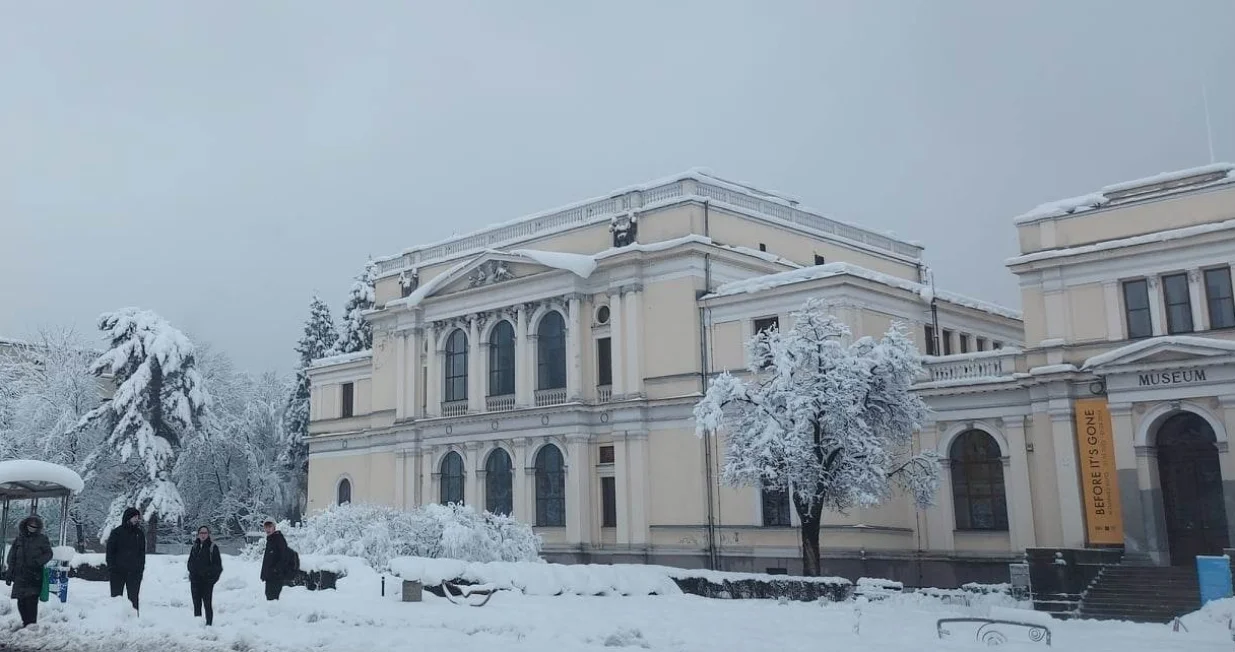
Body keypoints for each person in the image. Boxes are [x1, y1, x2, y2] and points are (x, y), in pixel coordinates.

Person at [4, 515, 53, 628]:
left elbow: (49, 554)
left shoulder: (42, 539)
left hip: (34, 575)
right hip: (20, 575)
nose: (32, 527)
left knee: (31, 601)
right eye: (30, 525)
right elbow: (12, 558)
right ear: (25, 525)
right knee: (21, 601)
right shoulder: (19, 539)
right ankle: (25, 623)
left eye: (35, 526)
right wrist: (9, 574)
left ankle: (31, 625)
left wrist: (37, 562)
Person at [105, 507, 146, 612]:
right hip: (117, 572)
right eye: (135, 517)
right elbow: (110, 552)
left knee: (133, 599)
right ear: (128, 517)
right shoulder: (117, 532)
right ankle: (114, 618)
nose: (137, 519)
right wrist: (112, 567)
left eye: (138, 517)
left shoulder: (139, 534)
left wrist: (140, 569)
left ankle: (133, 621)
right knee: (116, 598)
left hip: (134, 573)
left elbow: (142, 553)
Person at [187, 525, 222, 626]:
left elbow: (218, 567)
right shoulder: (195, 546)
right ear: (198, 534)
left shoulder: (212, 547)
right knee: (196, 604)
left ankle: (209, 625)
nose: (203, 535)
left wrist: (211, 579)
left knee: (207, 604)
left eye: (205, 533)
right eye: (201, 533)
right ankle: (198, 625)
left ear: (208, 534)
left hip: (207, 582)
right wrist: (192, 574)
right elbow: (190, 563)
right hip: (195, 581)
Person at [259, 520, 288, 601]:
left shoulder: (278, 539)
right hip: (270, 576)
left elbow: (284, 557)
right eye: (266, 527)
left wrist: (276, 570)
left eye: (270, 527)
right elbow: (267, 560)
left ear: (274, 528)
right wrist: (264, 574)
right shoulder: (270, 540)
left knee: (273, 598)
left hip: (276, 577)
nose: (267, 529)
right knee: (269, 596)